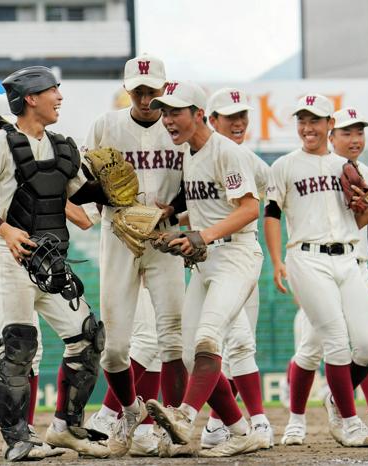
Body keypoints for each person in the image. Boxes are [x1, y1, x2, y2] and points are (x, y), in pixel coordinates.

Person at [0, 66, 111, 461]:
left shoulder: (64, 146)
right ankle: (17, 441)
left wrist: (117, 187)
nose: (59, 97)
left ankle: (66, 426)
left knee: (88, 338)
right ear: (30, 98)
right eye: (52, 90)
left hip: (51, 262)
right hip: (10, 258)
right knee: (18, 348)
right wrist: (3, 230)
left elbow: (83, 195)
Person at [145, 81, 263, 457]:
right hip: (205, 260)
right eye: (164, 113)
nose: (168, 120)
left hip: (236, 256)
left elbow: (248, 209)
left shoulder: (226, 153)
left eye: (176, 112)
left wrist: (203, 235)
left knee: (209, 337)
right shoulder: (190, 155)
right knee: (189, 354)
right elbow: (208, 209)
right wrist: (173, 221)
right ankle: (242, 432)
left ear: (199, 114)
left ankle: (185, 416)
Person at [82, 54, 188, 458]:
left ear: (165, 88)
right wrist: (104, 194)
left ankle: (172, 424)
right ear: (128, 89)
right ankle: (129, 412)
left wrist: (172, 211)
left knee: (173, 338)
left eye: (153, 90)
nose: (146, 98)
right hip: (119, 235)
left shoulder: (177, 126)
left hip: (164, 239)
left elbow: (192, 182)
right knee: (113, 347)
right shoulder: (105, 126)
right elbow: (85, 183)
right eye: (139, 90)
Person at [264, 94, 368, 448]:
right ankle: (349, 422)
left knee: (366, 347)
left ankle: (333, 400)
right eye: (302, 120)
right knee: (334, 341)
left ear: (330, 125)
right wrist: (276, 260)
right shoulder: (284, 165)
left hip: (347, 258)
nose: (307, 127)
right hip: (307, 257)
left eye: (315, 120)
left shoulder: (346, 166)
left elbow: (362, 219)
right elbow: (272, 212)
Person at [198, 87, 274, 449]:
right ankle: (224, 423)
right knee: (222, 341)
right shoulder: (201, 156)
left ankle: (252, 423)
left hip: (241, 251)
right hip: (209, 258)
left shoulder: (246, 158)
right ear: (212, 121)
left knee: (241, 341)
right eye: (230, 116)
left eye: (242, 115)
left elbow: (272, 191)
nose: (239, 121)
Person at [67, 201, 163, 457]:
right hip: (127, 265)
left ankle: (143, 433)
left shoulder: (165, 171)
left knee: (157, 345)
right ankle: (105, 417)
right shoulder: (113, 177)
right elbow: (84, 218)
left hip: (160, 260)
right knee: (148, 340)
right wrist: (50, 191)